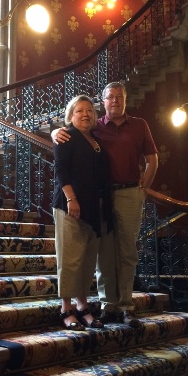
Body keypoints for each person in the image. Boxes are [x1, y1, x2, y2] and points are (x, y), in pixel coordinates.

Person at [52, 82, 158, 327]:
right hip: (97, 198)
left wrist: (143, 189)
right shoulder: (95, 127)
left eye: (119, 97)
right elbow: (67, 143)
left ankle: (126, 306)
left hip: (128, 193)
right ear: (104, 101)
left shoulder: (139, 125)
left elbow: (153, 159)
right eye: (110, 97)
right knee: (104, 254)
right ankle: (107, 305)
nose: (115, 101)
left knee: (127, 252)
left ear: (125, 99)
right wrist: (54, 132)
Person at [52, 94, 113, 330]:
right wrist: (71, 198)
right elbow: (61, 169)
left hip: (93, 207)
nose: (85, 114)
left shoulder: (95, 141)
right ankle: (65, 309)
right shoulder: (66, 136)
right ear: (70, 116)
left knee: (87, 260)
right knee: (70, 259)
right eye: (79, 111)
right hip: (72, 205)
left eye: (89, 110)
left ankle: (82, 306)